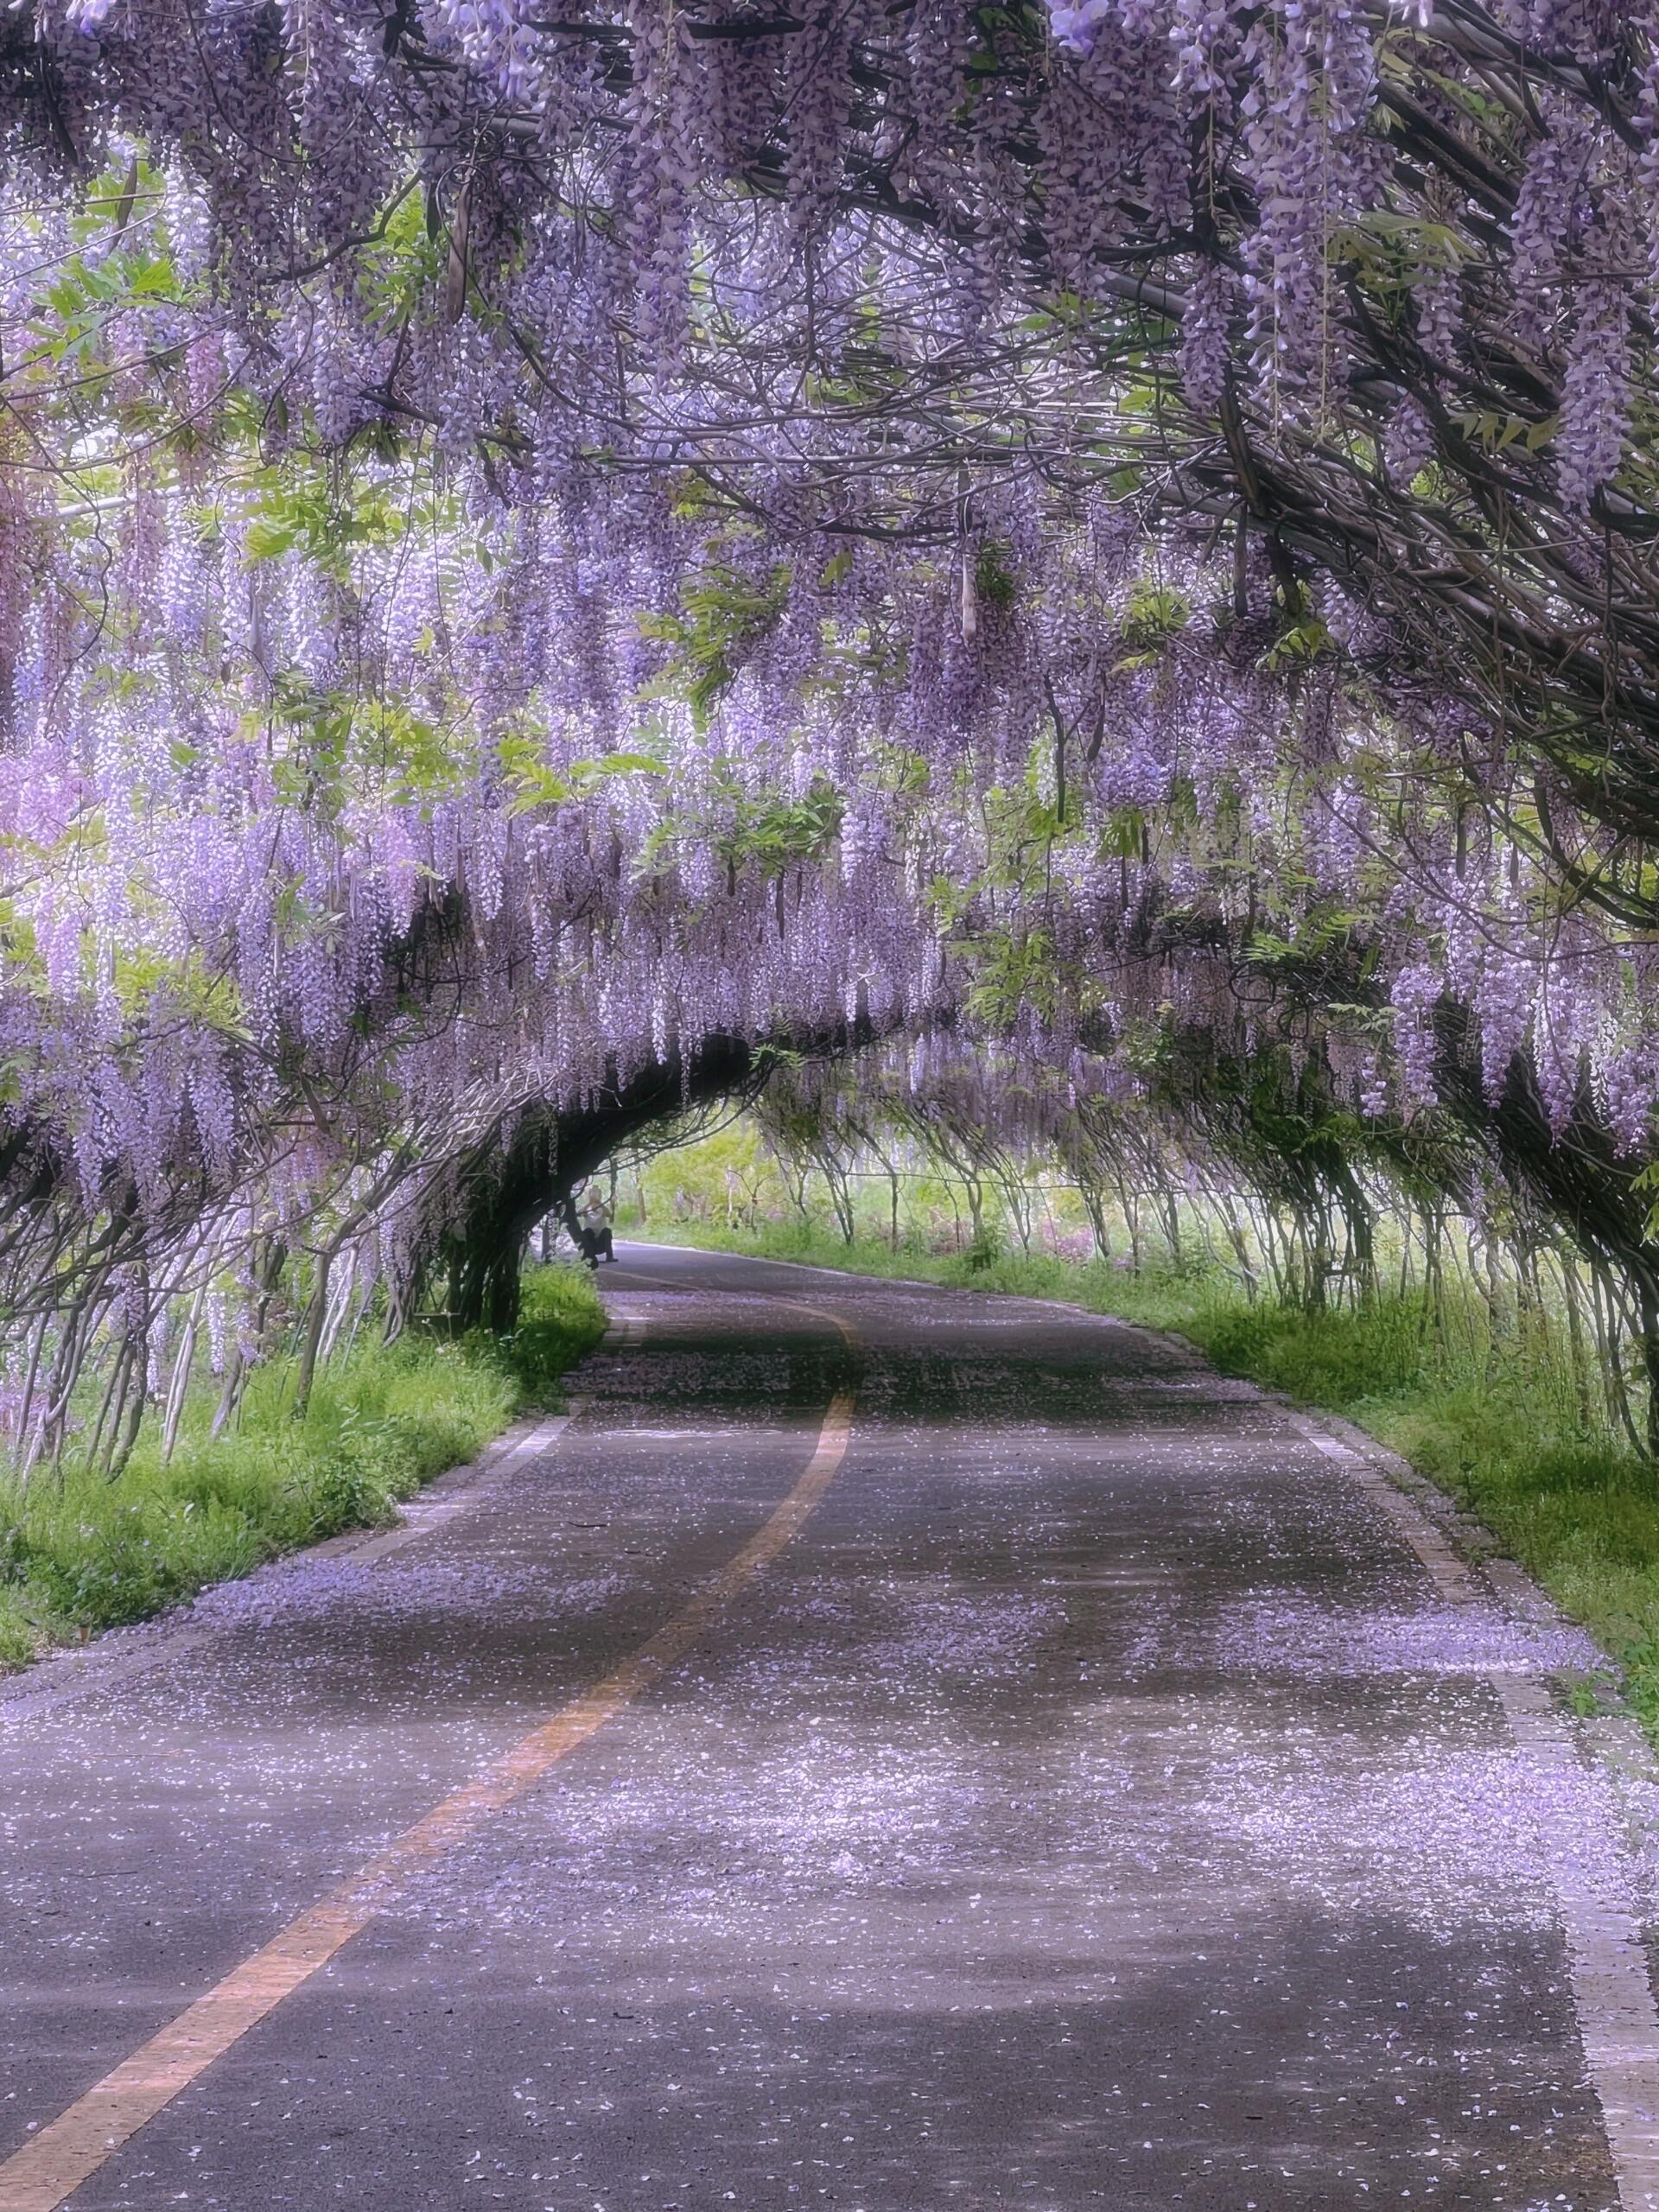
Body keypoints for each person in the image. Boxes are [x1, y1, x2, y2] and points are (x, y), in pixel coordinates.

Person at [580, 1189, 615, 1265]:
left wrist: (600, 1204)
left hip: (601, 1242)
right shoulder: (586, 1208)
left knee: (607, 1231)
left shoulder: (602, 1208)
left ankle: (610, 1256)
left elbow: (609, 1214)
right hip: (590, 1242)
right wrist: (589, 1203)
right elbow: (582, 1213)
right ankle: (586, 1257)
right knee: (587, 1231)